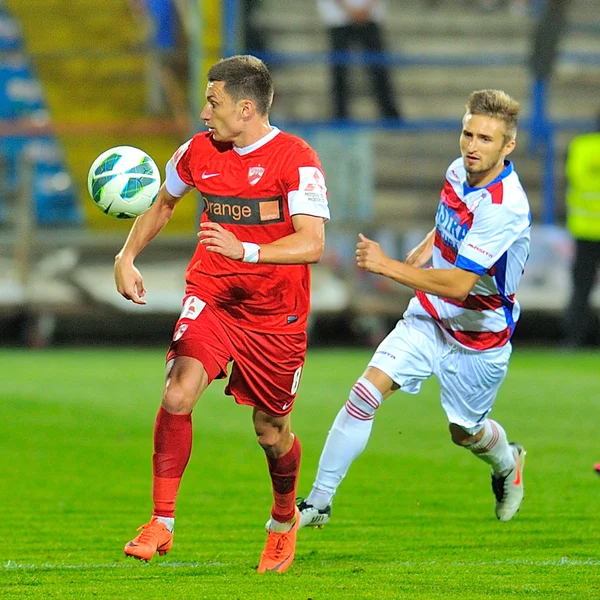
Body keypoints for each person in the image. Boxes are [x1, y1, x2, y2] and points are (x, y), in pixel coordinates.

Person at [115, 55, 330, 572]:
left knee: (271, 431)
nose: (204, 111)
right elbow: (163, 203)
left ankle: (283, 520)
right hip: (212, 296)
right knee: (178, 391)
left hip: (275, 313)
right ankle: (161, 522)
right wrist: (125, 256)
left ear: (247, 107)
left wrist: (248, 251)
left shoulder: (296, 160)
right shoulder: (198, 152)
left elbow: (313, 243)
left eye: (213, 102)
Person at [298, 89, 530, 530]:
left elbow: (461, 286)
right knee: (365, 393)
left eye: (485, 139)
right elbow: (450, 218)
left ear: (507, 147)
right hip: (429, 316)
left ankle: (507, 462)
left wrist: (386, 266)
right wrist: (429, 244)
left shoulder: (505, 207)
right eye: (468, 134)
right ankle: (319, 501)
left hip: (479, 336)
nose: (472, 146)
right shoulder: (458, 171)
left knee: (465, 433)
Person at [317, 0, 401, 120]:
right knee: (340, 70)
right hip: (338, 17)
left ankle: (389, 113)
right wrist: (351, 10)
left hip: (368, 15)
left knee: (379, 68)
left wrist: (364, 9)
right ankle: (340, 114)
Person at [563, 112, 600, 349]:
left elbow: (573, 178)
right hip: (585, 228)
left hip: (585, 227)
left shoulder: (580, 146)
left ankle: (573, 341)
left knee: (581, 288)